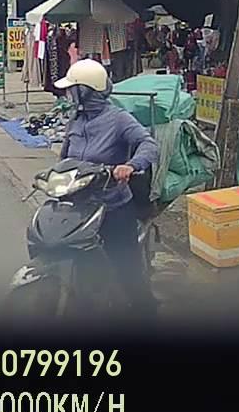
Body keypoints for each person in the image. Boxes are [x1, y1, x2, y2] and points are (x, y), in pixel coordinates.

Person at [54, 59, 161, 317]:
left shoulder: (118, 119)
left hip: (112, 204)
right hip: (78, 202)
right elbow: (64, 157)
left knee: (127, 266)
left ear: (85, 91)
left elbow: (149, 144)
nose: (68, 94)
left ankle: (146, 313)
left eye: (72, 89)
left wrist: (130, 165)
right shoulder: (76, 120)